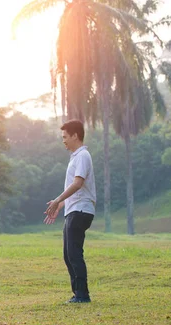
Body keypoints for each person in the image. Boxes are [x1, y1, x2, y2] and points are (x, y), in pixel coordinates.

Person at [44, 120, 96, 303]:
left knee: (74, 253)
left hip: (81, 210)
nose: (63, 141)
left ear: (75, 135)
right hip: (74, 209)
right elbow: (76, 188)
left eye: (65, 137)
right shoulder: (76, 157)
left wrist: (58, 199)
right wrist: (60, 205)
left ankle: (83, 295)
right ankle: (78, 293)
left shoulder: (83, 156)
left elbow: (78, 183)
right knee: (68, 254)